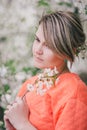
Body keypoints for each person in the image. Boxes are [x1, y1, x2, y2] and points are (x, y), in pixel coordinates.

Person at [4, 11, 87, 130]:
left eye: (48, 45)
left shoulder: (75, 91)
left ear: (69, 51)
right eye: (37, 40)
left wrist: (22, 123)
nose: (38, 50)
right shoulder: (30, 85)